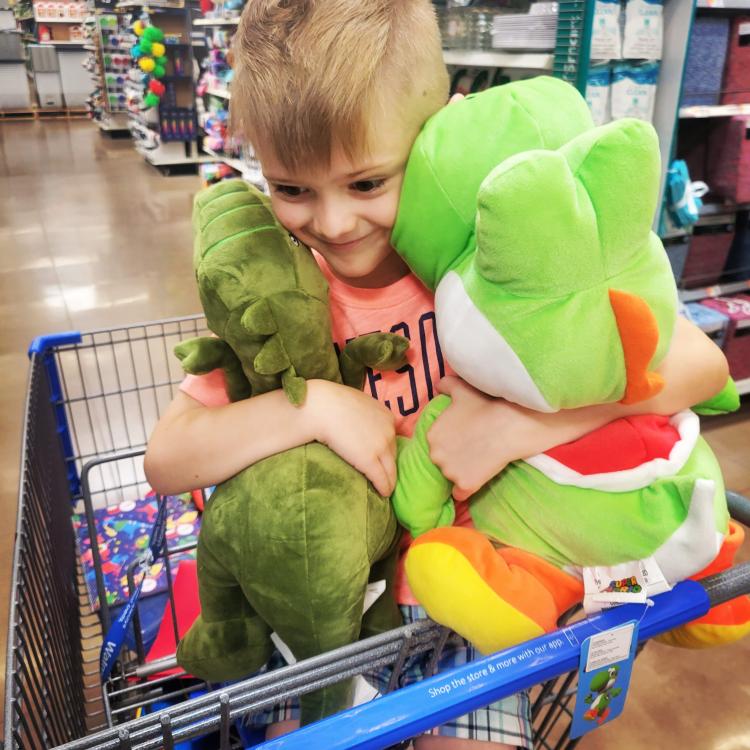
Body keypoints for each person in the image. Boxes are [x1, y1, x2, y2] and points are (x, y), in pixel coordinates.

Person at [144, 1, 729, 747]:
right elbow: (167, 458)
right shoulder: (287, 295)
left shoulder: (499, 262)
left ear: (439, 133)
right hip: (337, 606)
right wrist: (312, 408)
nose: (332, 224)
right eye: (292, 189)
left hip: (474, 591)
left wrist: (519, 427)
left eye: (365, 183)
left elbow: (698, 361)